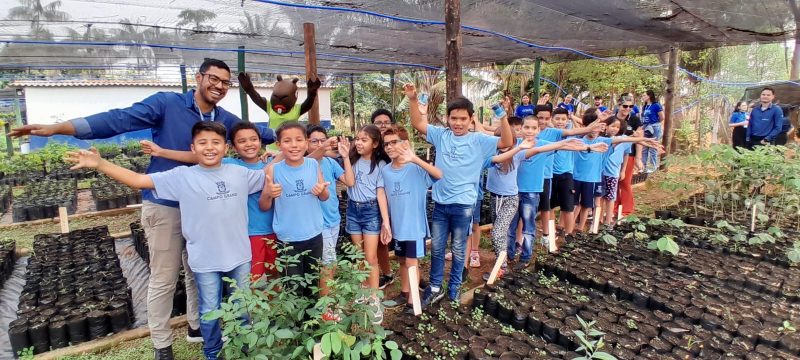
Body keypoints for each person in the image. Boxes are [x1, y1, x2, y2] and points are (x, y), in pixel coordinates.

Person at [9, 58, 274, 360]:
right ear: (199, 77)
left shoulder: (223, 118)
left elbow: (258, 134)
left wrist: (300, 140)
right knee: (164, 275)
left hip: (204, 207)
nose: (219, 86)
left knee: (197, 271)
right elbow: (119, 119)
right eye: (214, 78)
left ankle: (197, 326)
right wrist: (60, 128)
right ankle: (162, 343)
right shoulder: (167, 104)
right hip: (165, 204)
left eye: (225, 83)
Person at [66, 121, 268, 360]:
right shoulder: (182, 176)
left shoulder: (240, 173)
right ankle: (213, 352)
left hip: (240, 255)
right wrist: (100, 164)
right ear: (193, 148)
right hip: (205, 259)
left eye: (216, 143)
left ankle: (244, 348)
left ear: (226, 147)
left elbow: (271, 173)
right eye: (203, 143)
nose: (210, 148)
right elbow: (139, 181)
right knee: (210, 309)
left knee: (243, 306)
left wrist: (278, 155)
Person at [405, 83, 513, 306]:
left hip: (463, 205)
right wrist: (413, 100)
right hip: (441, 203)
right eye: (454, 118)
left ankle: (454, 287)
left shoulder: (479, 140)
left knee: (457, 248)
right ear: (448, 118)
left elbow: (507, 142)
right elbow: (417, 123)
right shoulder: (441, 135)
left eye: (463, 119)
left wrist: (503, 118)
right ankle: (435, 288)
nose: (458, 123)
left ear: (471, 119)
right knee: (436, 247)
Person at [263, 122, 330, 300]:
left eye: (299, 140)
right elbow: (264, 205)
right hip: (287, 239)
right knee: (293, 287)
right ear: (279, 145)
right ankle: (297, 326)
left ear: (306, 142)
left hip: (314, 235)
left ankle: (313, 324)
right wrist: (268, 194)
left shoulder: (313, 165)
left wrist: (321, 190)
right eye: (287, 141)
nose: (294, 145)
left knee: (313, 283)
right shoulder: (273, 169)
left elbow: (325, 196)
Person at [379, 126, 442, 314]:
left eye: (393, 142)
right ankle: (405, 291)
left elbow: (438, 175)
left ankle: (413, 300)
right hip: (397, 227)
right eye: (386, 144)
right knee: (401, 260)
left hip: (414, 227)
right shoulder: (386, 171)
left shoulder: (416, 168)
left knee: (411, 262)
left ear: (404, 143)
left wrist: (414, 157)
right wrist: (386, 223)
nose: (389, 147)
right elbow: (382, 194)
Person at [573, 113, 660, 232]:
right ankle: (572, 226)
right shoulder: (581, 139)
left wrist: (642, 140)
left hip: (598, 177)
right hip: (584, 177)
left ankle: (593, 225)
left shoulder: (606, 140)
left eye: (617, 127)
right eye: (612, 126)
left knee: (592, 202)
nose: (595, 130)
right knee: (579, 203)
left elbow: (624, 140)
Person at [223, 122, 279, 280]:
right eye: (242, 141)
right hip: (248, 233)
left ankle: (273, 305)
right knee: (251, 278)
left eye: (253, 139)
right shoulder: (230, 165)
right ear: (232, 147)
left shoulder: (272, 164)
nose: (249, 144)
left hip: (275, 230)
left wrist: (277, 155)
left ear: (260, 142)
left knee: (276, 275)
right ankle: (252, 306)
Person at [345, 124, 389, 319]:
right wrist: (345, 157)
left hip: (371, 211)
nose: (359, 143)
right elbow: (350, 182)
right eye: (357, 139)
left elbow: (380, 193)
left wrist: (385, 222)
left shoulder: (380, 165)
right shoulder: (351, 159)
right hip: (353, 209)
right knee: (358, 255)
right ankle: (363, 291)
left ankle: (374, 298)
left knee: (371, 258)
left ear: (375, 143)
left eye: (364, 140)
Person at [306, 126, 354, 296]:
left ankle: (325, 297)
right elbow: (311, 158)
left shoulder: (331, 162)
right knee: (329, 262)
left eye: (322, 140)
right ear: (306, 143)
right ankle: (326, 305)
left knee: (327, 262)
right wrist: (323, 147)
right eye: (314, 141)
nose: (320, 144)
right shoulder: (305, 164)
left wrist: (346, 156)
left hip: (334, 218)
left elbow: (349, 181)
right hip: (319, 223)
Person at [599, 115, 662, 226]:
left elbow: (627, 149)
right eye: (612, 126)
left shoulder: (623, 139)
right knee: (600, 198)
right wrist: (641, 139)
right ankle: (598, 219)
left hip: (613, 174)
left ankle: (608, 222)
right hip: (601, 173)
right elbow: (626, 139)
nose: (614, 129)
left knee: (610, 197)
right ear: (606, 127)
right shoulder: (603, 139)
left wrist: (623, 170)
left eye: (617, 127)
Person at [369, 109, 398, 290]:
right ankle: (386, 274)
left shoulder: (394, 146)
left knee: (394, 239)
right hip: (374, 201)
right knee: (381, 240)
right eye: (378, 122)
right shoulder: (369, 147)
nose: (382, 125)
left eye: (386, 122)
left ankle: (412, 276)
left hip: (395, 197)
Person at [613, 96, 643, 217]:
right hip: (613, 155)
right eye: (625, 106)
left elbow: (640, 139)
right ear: (619, 106)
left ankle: (627, 210)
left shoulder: (635, 120)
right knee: (613, 181)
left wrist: (638, 158)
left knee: (625, 181)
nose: (628, 109)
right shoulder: (612, 118)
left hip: (629, 154)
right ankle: (615, 208)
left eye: (631, 106)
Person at [641, 90, 665, 173]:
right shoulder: (644, 106)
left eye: (644, 95)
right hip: (645, 127)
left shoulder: (656, 105)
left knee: (653, 147)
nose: (643, 97)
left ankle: (652, 167)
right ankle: (643, 166)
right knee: (644, 148)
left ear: (649, 96)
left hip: (654, 127)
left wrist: (655, 123)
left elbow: (662, 117)